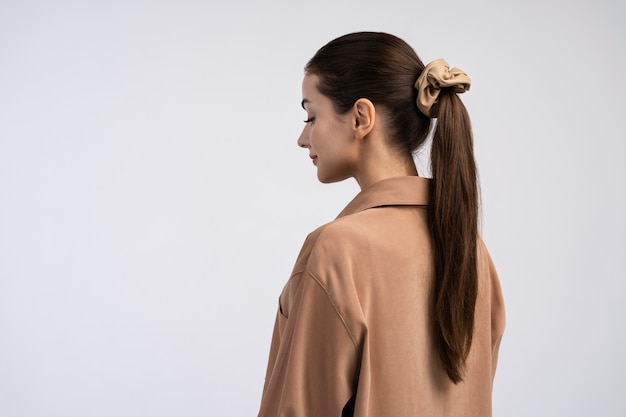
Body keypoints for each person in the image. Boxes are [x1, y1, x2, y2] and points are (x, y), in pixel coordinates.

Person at [258, 32, 505, 417]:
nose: (303, 137)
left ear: (361, 117)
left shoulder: (338, 249)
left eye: (311, 116)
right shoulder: (469, 247)